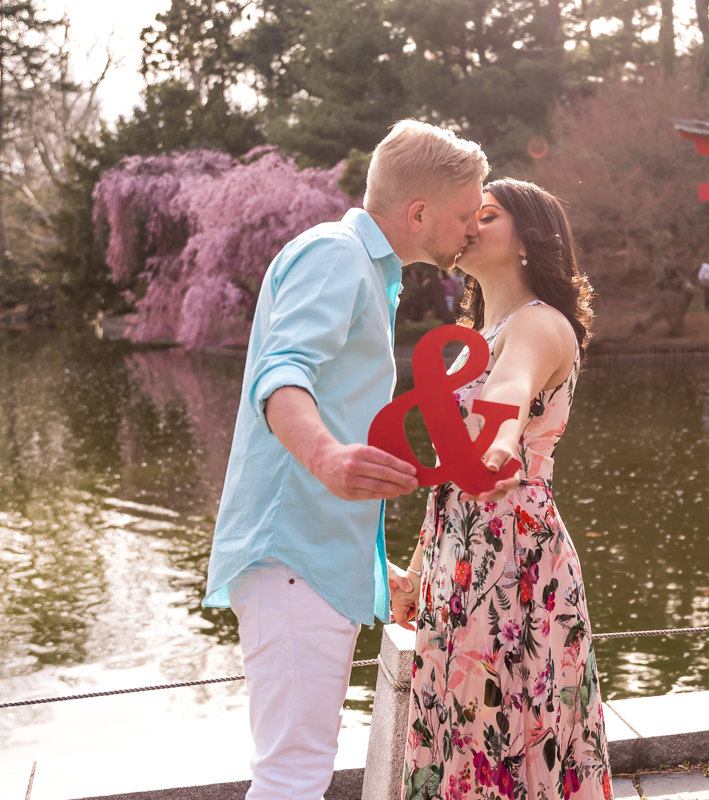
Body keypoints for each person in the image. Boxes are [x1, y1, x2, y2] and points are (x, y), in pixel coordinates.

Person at [202, 120, 489, 800]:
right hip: (289, 560)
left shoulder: (369, 272)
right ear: (418, 213)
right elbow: (281, 375)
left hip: (310, 562)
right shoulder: (336, 254)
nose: (472, 229)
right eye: (462, 215)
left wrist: (375, 569)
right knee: (292, 777)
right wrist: (327, 455)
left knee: (299, 772)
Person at [391, 178, 613, 800]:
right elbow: (448, 478)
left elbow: (510, 392)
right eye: (468, 215)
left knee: (503, 729)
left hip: (514, 556)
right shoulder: (471, 340)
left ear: (527, 241)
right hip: (456, 554)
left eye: (486, 216)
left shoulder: (540, 324)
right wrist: (416, 573)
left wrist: (500, 442)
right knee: (458, 730)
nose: (469, 226)